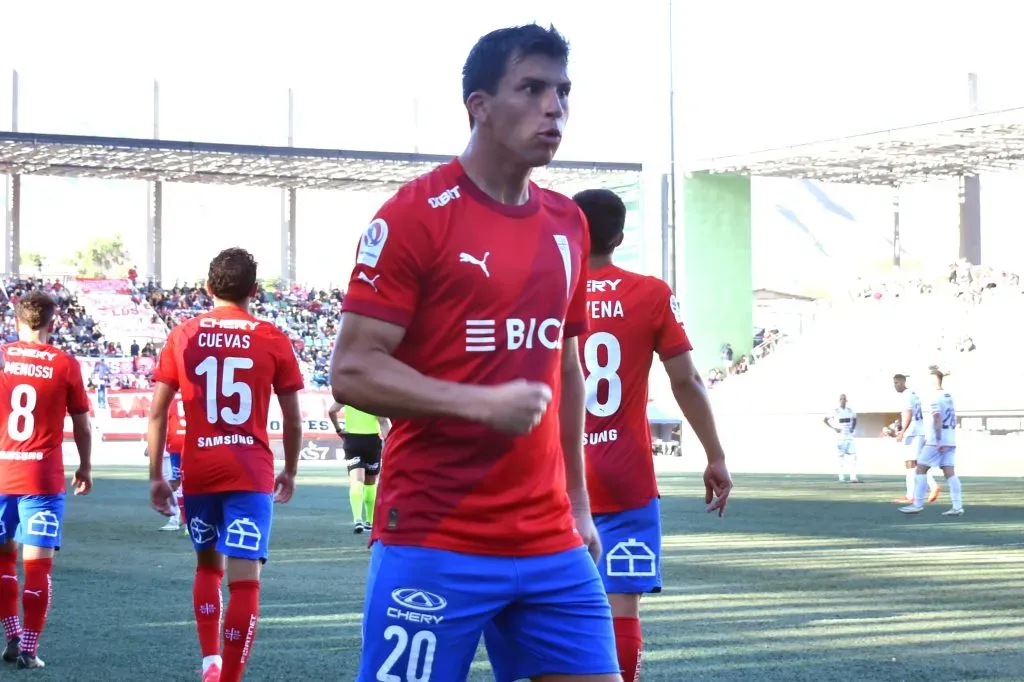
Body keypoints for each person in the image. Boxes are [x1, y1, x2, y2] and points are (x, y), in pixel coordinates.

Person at [332, 24, 624, 682]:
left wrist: (578, 500)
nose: (555, 107)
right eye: (532, 88)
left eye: (563, 91)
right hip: (436, 537)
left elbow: (565, 370)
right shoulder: (414, 215)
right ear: (479, 105)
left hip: (550, 540)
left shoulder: (566, 223)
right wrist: (476, 403)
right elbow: (351, 369)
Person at [572, 188, 732, 680]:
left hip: (554, 476)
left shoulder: (544, 291)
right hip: (626, 475)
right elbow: (685, 379)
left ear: (573, 231)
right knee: (622, 606)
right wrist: (715, 455)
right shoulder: (651, 292)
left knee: (550, 604)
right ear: (620, 237)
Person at [147, 248, 305, 682]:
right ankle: (229, 677)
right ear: (255, 291)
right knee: (245, 580)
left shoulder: (183, 334)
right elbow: (292, 415)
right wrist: (290, 470)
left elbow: (158, 412)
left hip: (199, 469)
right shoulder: (271, 337)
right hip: (249, 470)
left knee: (206, 568)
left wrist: (157, 475)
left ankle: (210, 663)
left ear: (207, 287)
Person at [0, 290, 93, 669]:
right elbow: (82, 424)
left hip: (2, 473)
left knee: (5, 563)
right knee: (38, 568)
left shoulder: (3, 357)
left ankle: (11, 635)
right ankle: (29, 649)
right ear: (54, 323)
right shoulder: (64, 363)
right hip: (41, 477)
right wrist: (85, 466)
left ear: (16, 320)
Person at [900, 367, 963, 516]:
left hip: (937, 441)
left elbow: (937, 418)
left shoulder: (935, 398)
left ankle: (917, 504)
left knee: (920, 468)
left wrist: (939, 439)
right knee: (950, 473)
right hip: (951, 439)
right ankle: (957, 506)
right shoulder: (949, 396)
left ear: (933, 382)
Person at [327, 401, 390, 534]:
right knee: (370, 482)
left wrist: (338, 429)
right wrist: (389, 442)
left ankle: (357, 519)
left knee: (356, 480)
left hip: (353, 440)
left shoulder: (349, 393)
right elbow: (383, 421)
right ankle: (369, 522)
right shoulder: (376, 397)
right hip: (372, 442)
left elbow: (332, 411)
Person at [890, 374, 939, 505]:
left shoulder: (906, 395)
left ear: (902, 382)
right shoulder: (913, 394)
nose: (895, 385)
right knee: (915, 464)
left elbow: (908, 413)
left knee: (911, 464)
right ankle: (915, 493)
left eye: (896, 383)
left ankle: (919, 492)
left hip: (912, 433)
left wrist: (902, 432)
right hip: (919, 431)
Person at [158, 391, 188, 532]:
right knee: (191, 481)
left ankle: (176, 519)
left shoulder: (167, 397)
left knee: (175, 482)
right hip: (194, 442)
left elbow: (162, 422)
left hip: (175, 444)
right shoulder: (195, 392)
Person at [823, 394, 860, 482]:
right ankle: (841, 477)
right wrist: (834, 428)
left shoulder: (850, 411)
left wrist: (853, 428)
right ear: (839, 400)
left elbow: (855, 419)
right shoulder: (835, 411)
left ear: (846, 400)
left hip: (849, 437)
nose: (842, 400)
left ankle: (853, 477)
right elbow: (825, 420)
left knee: (853, 456)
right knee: (841, 458)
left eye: (844, 399)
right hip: (840, 438)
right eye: (841, 399)